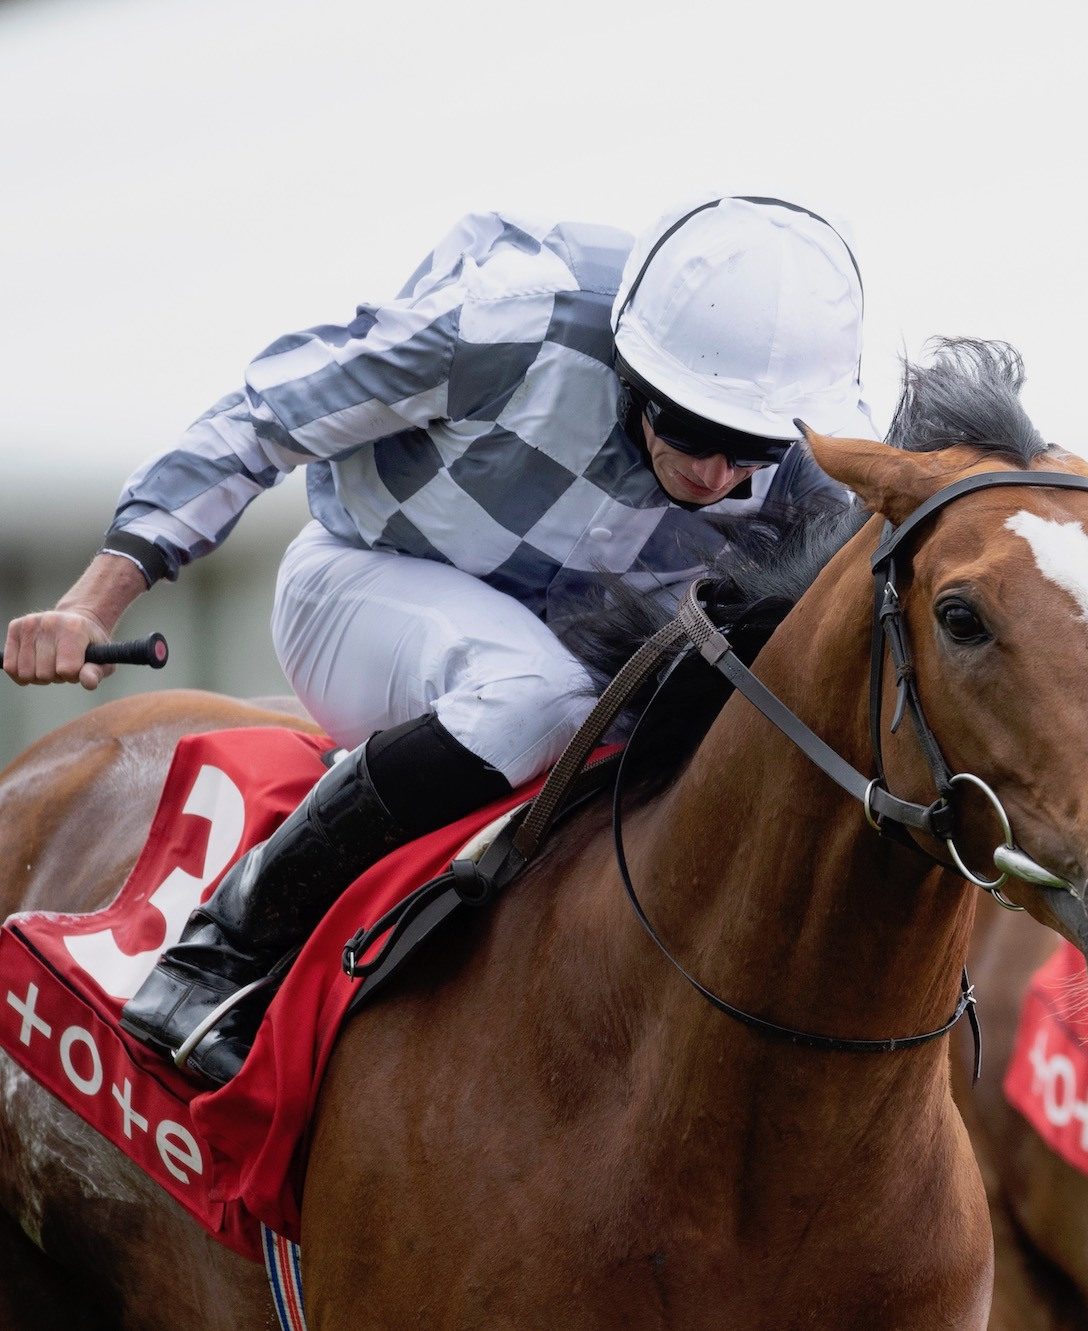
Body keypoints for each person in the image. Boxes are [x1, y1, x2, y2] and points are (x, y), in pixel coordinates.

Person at [3, 193, 875, 1083]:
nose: (715, 473)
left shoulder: (806, 446)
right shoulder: (508, 322)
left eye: (749, 456)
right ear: (634, 367)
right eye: (691, 431)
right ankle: (222, 946)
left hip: (582, 669)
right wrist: (92, 601)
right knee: (537, 697)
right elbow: (262, 419)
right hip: (360, 586)